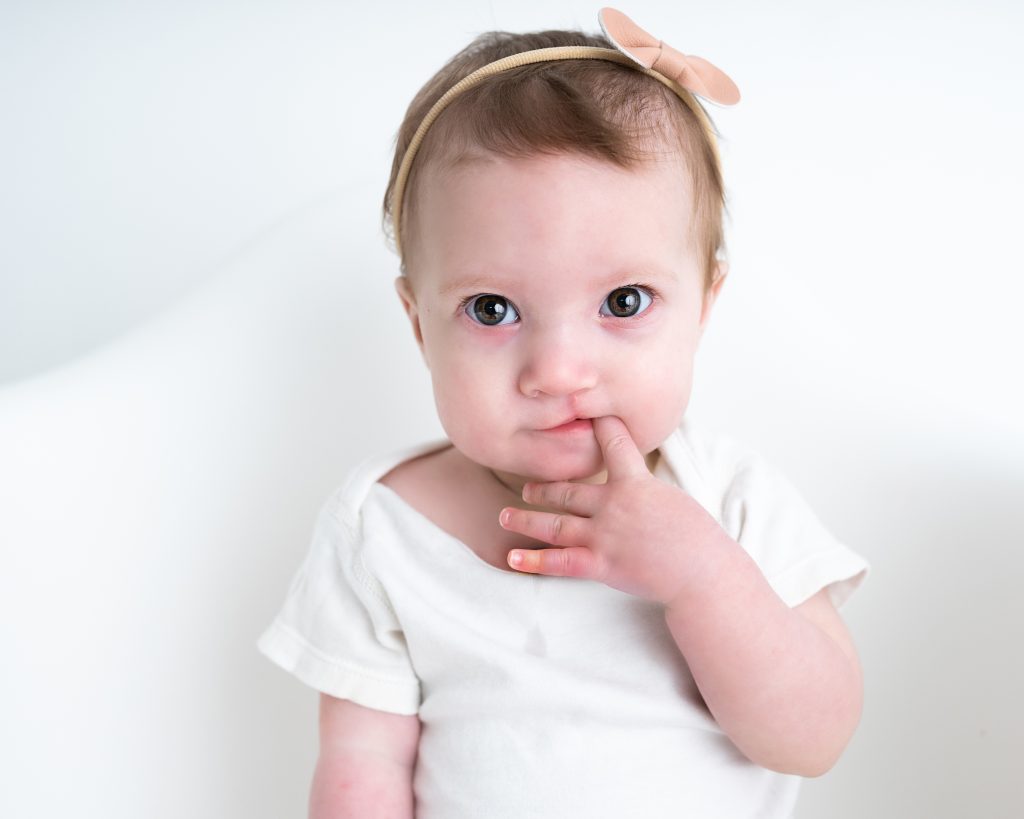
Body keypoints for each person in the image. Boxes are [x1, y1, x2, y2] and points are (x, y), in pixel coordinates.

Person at [257, 8, 870, 817]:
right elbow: (361, 760)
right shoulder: (384, 527)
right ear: (418, 325)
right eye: (491, 309)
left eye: (623, 300)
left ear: (703, 306)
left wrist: (702, 574)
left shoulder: (727, 499)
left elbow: (813, 738)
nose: (556, 371)